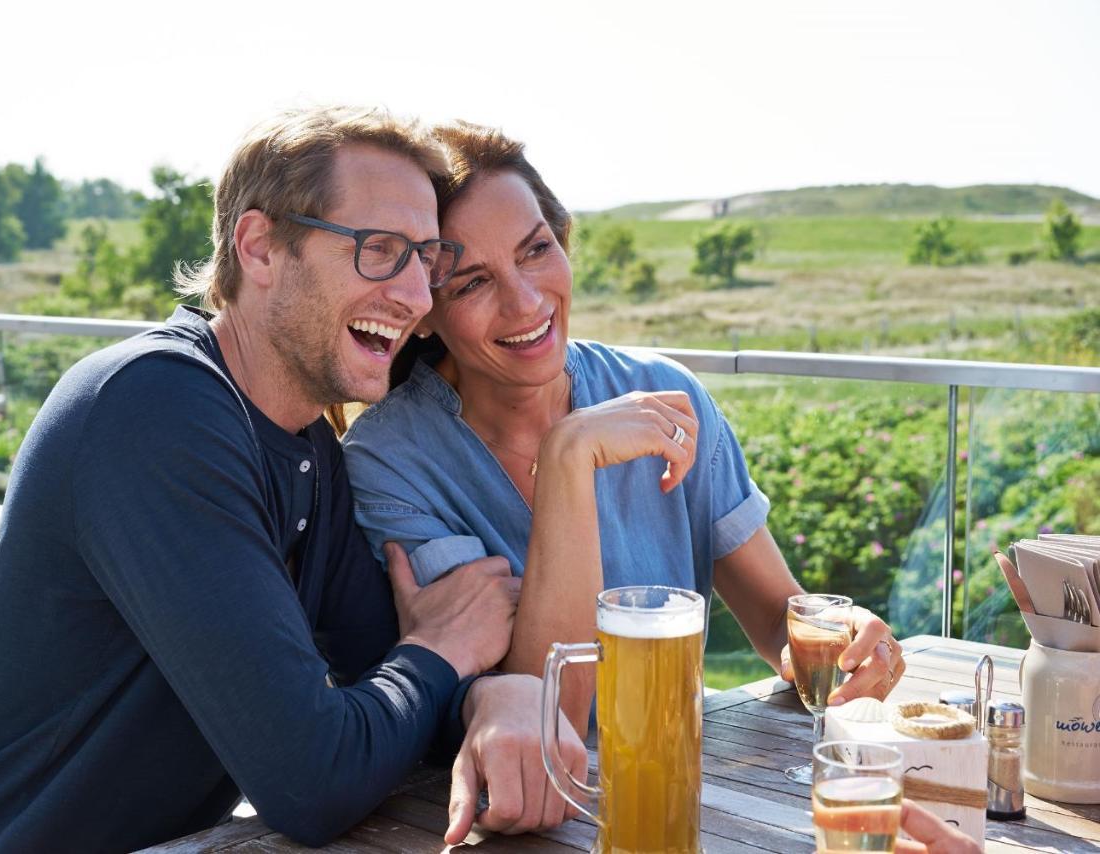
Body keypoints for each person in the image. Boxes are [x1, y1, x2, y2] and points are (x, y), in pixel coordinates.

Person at [0, 107, 585, 853]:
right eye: (379, 250)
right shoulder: (153, 408)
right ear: (259, 247)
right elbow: (313, 779)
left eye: (425, 258)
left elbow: (386, 671)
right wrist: (444, 652)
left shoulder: (307, 442)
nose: (416, 296)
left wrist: (491, 696)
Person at [341, 122, 907, 732]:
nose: (527, 302)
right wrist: (568, 457)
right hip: (502, 815)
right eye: (474, 282)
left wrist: (834, 643)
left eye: (536, 250)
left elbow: (775, 619)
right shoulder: (388, 459)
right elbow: (550, 714)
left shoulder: (669, 392)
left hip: (676, 779)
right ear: (424, 309)